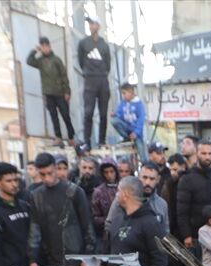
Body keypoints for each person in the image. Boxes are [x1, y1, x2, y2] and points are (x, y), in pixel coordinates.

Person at [31, 152, 95, 266]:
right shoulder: (37, 196)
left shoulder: (75, 191)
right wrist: (33, 259)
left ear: (55, 168)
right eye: (42, 174)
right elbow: (35, 230)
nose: (47, 178)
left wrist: (87, 256)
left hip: (76, 258)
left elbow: (87, 226)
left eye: (49, 173)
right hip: (50, 261)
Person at [177, 141, 211, 256]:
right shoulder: (187, 179)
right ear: (197, 153)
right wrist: (186, 235)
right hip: (196, 236)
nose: (207, 157)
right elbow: (182, 211)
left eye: (210, 153)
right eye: (204, 153)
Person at [108, 176, 168, 266]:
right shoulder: (117, 220)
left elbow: (160, 260)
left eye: (118, 191)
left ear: (125, 194)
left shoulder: (151, 223)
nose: (116, 194)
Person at [27, 36, 76, 144]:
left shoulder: (57, 60)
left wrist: (67, 91)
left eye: (46, 46)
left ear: (50, 46)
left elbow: (64, 76)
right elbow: (29, 61)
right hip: (48, 93)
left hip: (60, 93)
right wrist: (35, 50)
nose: (45, 48)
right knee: (53, 116)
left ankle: (71, 137)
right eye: (42, 46)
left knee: (65, 115)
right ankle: (58, 137)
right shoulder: (40, 61)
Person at [105, 161, 168, 241]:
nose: (147, 182)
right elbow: (109, 224)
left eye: (152, 179)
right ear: (138, 177)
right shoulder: (124, 198)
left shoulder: (162, 204)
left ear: (158, 179)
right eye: (144, 177)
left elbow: (165, 232)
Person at [77, 16, 112, 146]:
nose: (91, 26)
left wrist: (101, 73)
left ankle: (102, 141)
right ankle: (87, 141)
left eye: (93, 24)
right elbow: (80, 61)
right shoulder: (83, 43)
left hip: (102, 80)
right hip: (90, 80)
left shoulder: (104, 45)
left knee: (103, 114)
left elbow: (108, 64)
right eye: (90, 24)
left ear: (98, 26)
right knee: (88, 112)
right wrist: (88, 72)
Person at [91, 159, 119, 251]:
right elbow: (95, 217)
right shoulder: (98, 192)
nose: (109, 175)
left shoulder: (123, 188)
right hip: (106, 235)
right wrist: (109, 220)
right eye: (106, 172)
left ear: (116, 171)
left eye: (111, 171)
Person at [111, 83, 146, 159]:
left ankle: (145, 163)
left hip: (136, 133)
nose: (123, 96)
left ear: (130, 92)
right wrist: (115, 114)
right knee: (114, 121)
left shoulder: (138, 104)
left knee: (142, 155)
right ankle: (126, 137)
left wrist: (136, 132)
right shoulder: (123, 103)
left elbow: (141, 120)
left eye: (124, 93)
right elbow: (120, 114)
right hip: (127, 128)